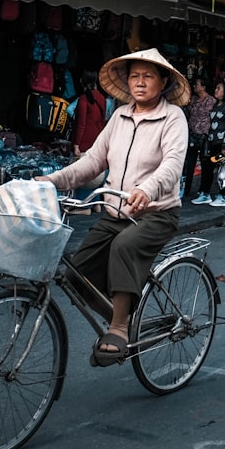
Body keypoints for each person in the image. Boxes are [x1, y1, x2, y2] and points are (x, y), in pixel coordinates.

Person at [36, 48, 189, 367]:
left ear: (162, 82)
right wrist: (50, 181)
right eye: (135, 76)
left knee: (123, 247)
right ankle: (126, 317)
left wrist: (147, 189)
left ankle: (118, 327)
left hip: (156, 213)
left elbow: (173, 163)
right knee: (76, 273)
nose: (141, 82)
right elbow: (93, 160)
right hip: (115, 212)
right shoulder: (119, 116)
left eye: (148, 76)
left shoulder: (173, 117)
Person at [191, 82, 225, 207]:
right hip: (212, 142)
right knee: (207, 167)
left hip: (223, 144)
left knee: (223, 169)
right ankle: (205, 194)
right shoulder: (217, 105)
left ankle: (222, 196)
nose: (216, 90)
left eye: (218, 88)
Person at [182, 77, 215, 198]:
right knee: (189, 164)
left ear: (203, 87)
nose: (195, 87)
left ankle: (203, 190)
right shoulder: (194, 99)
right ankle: (186, 189)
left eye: (197, 85)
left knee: (205, 164)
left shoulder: (210, 101)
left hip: (203, 136)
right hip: (192, 134)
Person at [71, 70, 106, 156]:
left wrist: (76, 145)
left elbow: (81, 124)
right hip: (96, 143)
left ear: (81, 81)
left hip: (83, 144)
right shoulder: (102, 98)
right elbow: (102, 122)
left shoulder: (83, 99)